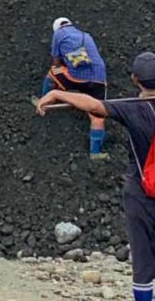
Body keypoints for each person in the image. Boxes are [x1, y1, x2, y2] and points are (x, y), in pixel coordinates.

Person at [37, 51, 155, 301]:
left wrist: (57, 93)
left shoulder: (132, 110)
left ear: (135, 79)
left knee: (143, 263)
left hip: (141, 193)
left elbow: (93, 105)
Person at [41, 17, 108, 159]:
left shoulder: (59, 34)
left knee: (53, 71)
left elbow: (56, 60)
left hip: (76, 77)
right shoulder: (86, 36)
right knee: (97, 116)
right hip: (99, 79)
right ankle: (95, 153)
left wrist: (61, 66)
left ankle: (44, 102)